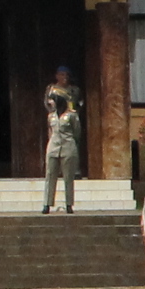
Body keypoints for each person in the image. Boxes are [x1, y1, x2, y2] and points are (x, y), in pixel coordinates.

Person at [41, 66, 82, 213]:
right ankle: (47, 204)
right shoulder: (51, 115)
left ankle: (69, 204)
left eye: (66, 74)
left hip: (68, 145)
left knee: (68, 177)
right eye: (61, 74)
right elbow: (49, 129)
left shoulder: (71, 115)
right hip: (54, 145)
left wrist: (72, 143)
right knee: (50, 175)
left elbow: (77, 131)